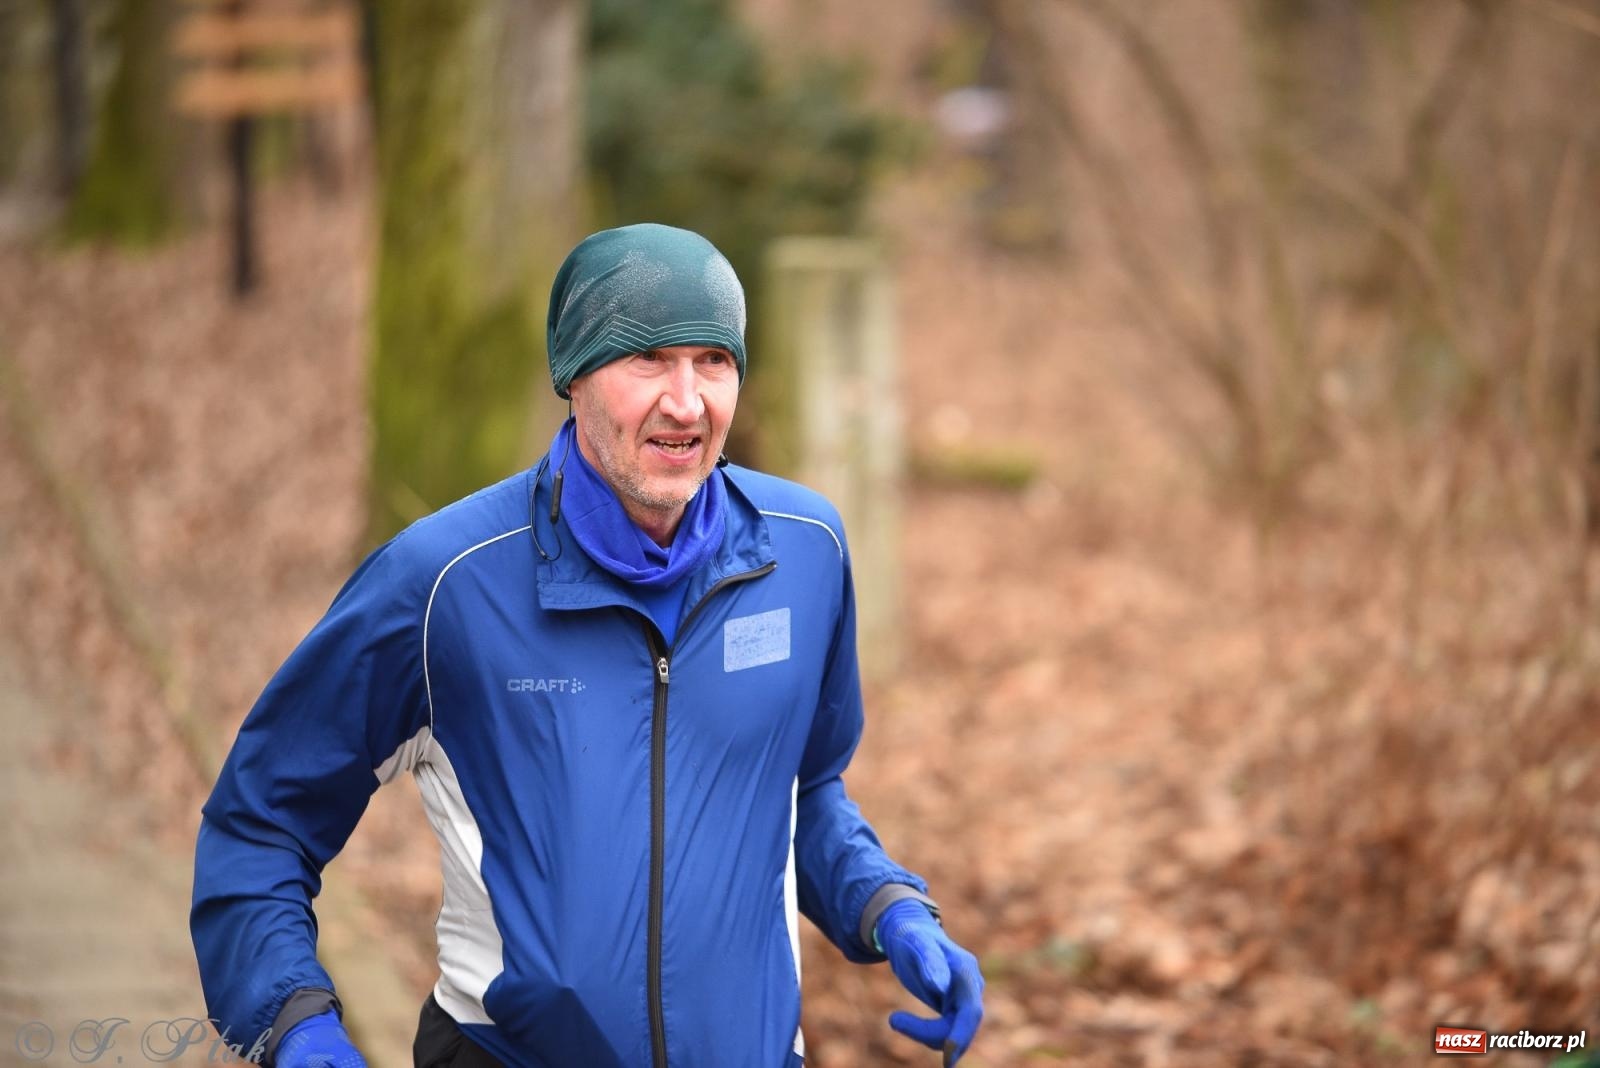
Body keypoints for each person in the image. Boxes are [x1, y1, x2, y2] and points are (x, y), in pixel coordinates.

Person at [191, 223, 985, 1067]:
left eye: (714, 361)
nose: (687, 403)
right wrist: (293, 1020)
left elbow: (802, 790)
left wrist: (888, 906)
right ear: (573, 376)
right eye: (648, 360)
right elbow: (263, 820)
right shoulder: (444, 583)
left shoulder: (805, 552)